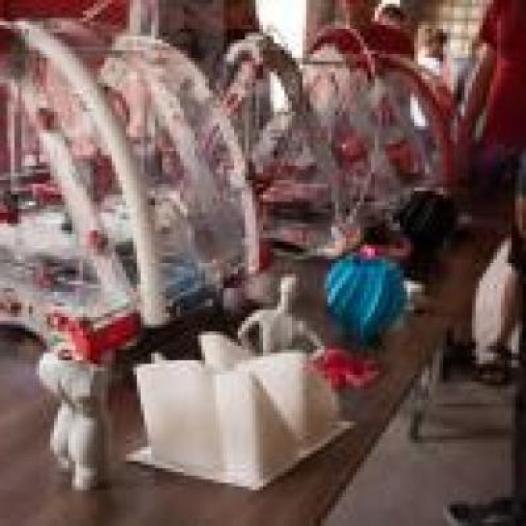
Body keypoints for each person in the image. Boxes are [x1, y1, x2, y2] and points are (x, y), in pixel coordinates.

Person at [445, 0, 526, 523]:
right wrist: (463, 130)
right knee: (475, 249)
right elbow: (487, 65)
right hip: (500, 143)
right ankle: (471, 344)